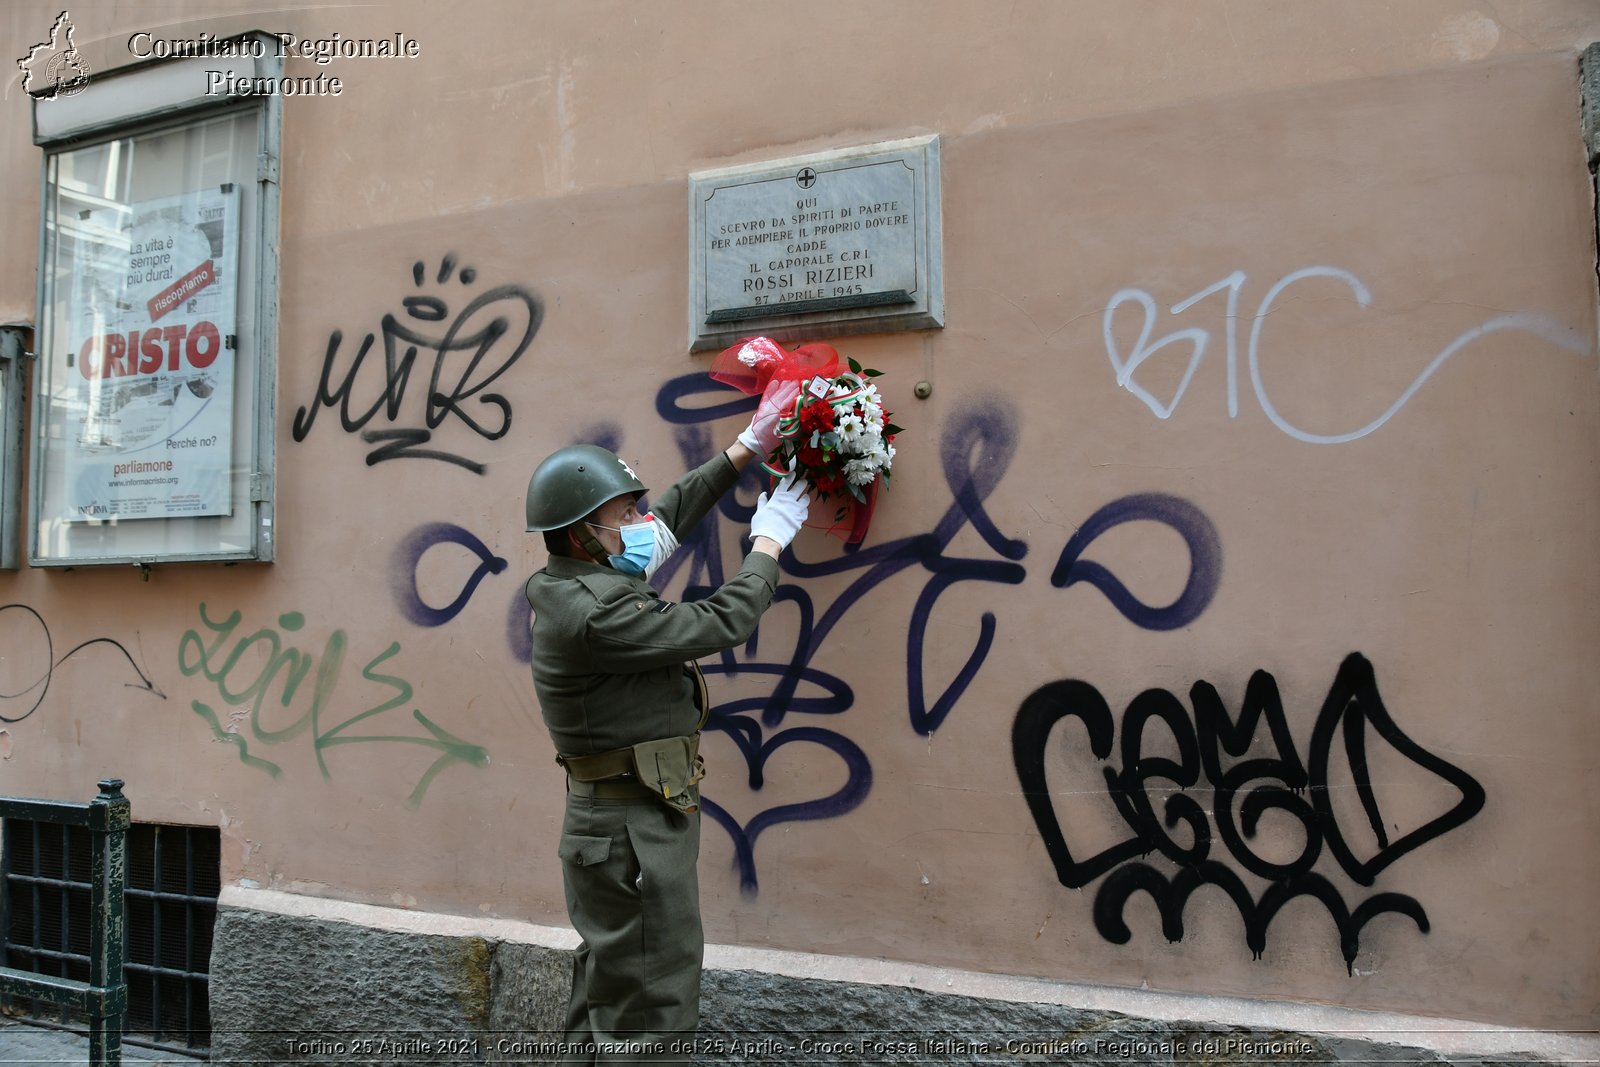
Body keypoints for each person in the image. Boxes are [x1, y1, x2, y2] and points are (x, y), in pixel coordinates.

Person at [523, 406, 808, 1066]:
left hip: (626, 818)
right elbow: (722, 620)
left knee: (611, 995)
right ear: (579, 536)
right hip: (632, 831)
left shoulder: (581, 582)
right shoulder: (597, 611)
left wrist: (742, 450)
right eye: (622, 516)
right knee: (652, 1010)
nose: (638, 524)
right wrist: (769, 541)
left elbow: (669, 516)